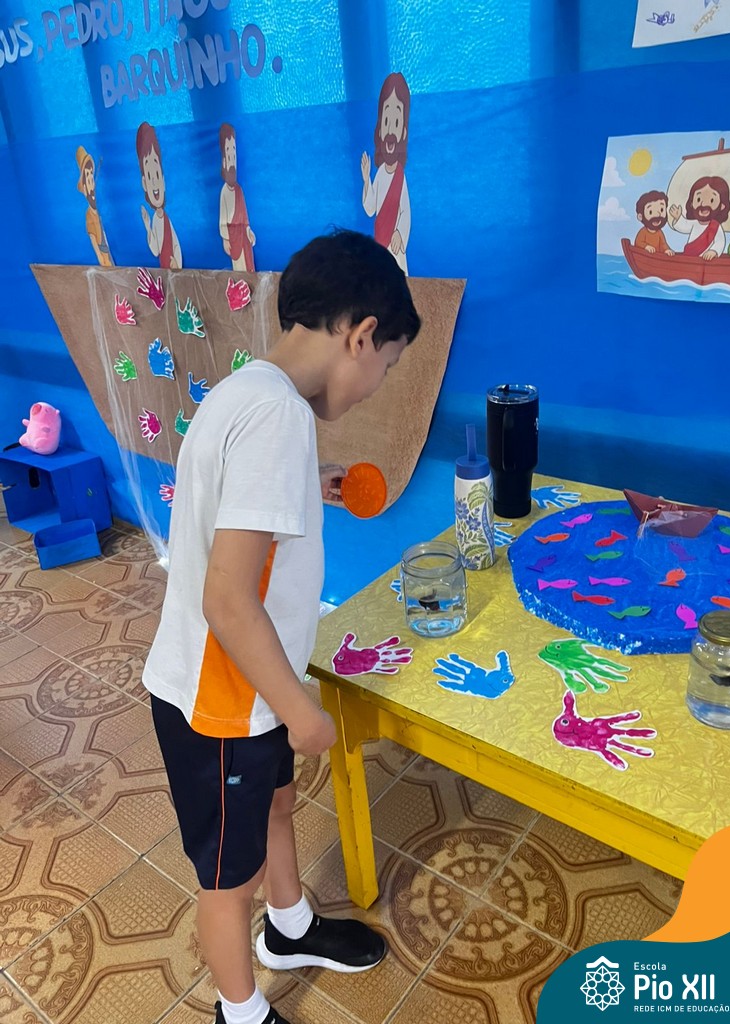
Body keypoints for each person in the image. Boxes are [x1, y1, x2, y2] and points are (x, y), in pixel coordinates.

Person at [142, 229, 421, 1024]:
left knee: (273, 806)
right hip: (223, 702)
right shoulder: (278, 419)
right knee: (226, 880)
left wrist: (310, 484)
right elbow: (229, 600)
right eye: (387, 365)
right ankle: (242, 1012)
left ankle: (290, 928)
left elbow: (234, 505)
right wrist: (302, 711)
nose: (375, 385)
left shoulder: (252, 391)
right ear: (361, 334)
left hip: (244, 689)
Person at [361, 72, 412, 274]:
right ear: (380, 130)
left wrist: (399, 232)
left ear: (403, 133)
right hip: (380, 245)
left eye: (396, 122)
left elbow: (405, 211)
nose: (390, 129)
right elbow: (370, 209)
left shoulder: (400, 177)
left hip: (396, 249)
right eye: (386, 122)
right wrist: (366, 179)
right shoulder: (381, 172)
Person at [136, 121, 183, 269]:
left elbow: (176, 244)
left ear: (162, 179)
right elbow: (156, 250)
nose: (154, 182)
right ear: (144, 184)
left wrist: (177, 263)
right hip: (165, 270)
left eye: (156, 174)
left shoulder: (166, 218)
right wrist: (147, 225)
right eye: (150, 176)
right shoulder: (156, 219)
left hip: (174, 268)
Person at [219, 123, 256, 272]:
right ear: (224, 162)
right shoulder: (224, 192)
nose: (232, 160)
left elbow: (245, 218)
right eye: (229, 156)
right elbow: (222, 220)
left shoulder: (239, 190)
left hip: (244, 240)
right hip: (234, 240)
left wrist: (248, 231)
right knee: (239, 269)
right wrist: (226, 239)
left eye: (233, 156)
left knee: (249, 267)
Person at [668, 175, 730, 261]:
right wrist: (678, 217)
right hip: (690, 258)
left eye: (711, 200)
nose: (703, 204)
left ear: (722, 206)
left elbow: (720, 241)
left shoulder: (716, 227)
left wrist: (713, 251)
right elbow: (683, 226)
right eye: (698, 199)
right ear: (692, 203)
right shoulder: (694, 223)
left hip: (707, 261)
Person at [75, 145, 113, 266]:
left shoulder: (98, 211)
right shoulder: (89, 214)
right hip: (104, 258)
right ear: (83, 187)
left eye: (91, 177)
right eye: (87, 178)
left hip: (108, 255)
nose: (91, 183)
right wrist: (101, 258)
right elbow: (93, 238)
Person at [633, 190, 675, 255]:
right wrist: (646, 246)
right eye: (650, 212)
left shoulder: (659, 233)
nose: (657, 214)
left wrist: (667, 250)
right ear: (640, 216)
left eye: (661, 210)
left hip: (657, 257)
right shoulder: (643, 232)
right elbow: (638, 243)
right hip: (646, 256)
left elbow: (663, 244)